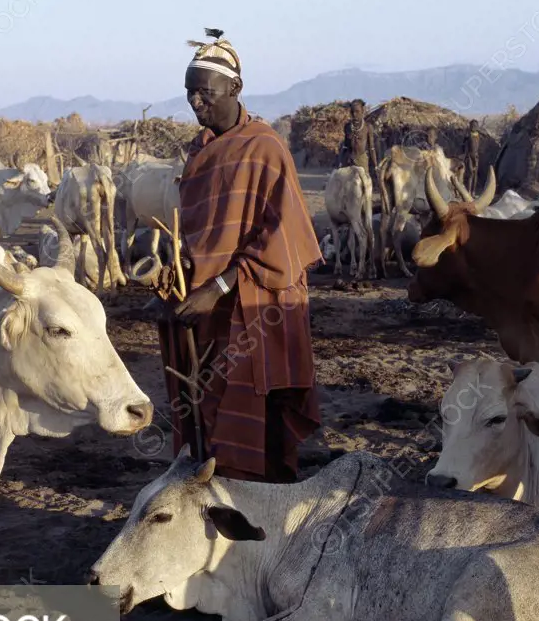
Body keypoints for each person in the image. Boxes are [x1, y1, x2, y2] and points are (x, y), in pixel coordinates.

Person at [157, 28, 322, 483]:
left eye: (204, 92)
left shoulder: (264, 148)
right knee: (206, 410)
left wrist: (221, 285)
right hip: (207, 305)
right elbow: (202, 236)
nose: (194, 102)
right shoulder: (200, 151)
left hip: (256, 303)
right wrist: (178, 275)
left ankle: (263, 510)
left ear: (235, 88)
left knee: (254, 412)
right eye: (189, 93)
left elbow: (282, 235)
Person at [338, 99, 379, 187]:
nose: (354, 115)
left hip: (362, 160)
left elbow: (372, 148)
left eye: (357, 111)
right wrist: (341, 161)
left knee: (365, 185)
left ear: (362, 111)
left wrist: (375, 165)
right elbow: (345, 146)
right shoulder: (348, 127)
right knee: (345, 185)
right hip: (349, 159)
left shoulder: (368, 127)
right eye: (352, 112)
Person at [461, 119, 481, 195]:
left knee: (475, 174)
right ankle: (469, 191)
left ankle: (473, 191)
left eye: (475, 125)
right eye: (472, 125)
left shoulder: (478, 135)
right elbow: (464, 146)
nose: (473, 127)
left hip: (476, 156)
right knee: (470, 174)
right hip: (470, 156)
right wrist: (464, 155)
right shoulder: (468, 135)